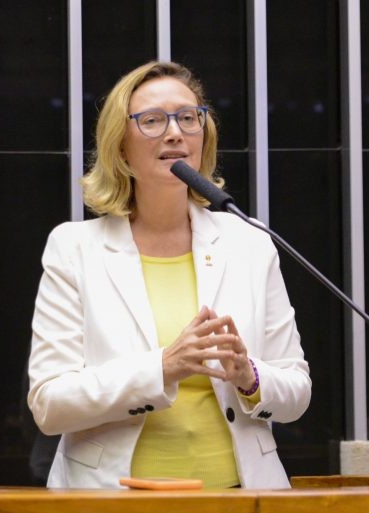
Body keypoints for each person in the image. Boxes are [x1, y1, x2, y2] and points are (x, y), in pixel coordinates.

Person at [27, 61, 311, 489]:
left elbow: (297, 391)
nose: (175, 132)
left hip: (242, 495)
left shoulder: (249, 243)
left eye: (188, 117)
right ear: (120, 146)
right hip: (112, 498)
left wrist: (249, 376)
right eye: (153, 121)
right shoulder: (74, 248)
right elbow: (50, 404)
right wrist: (163, 367)